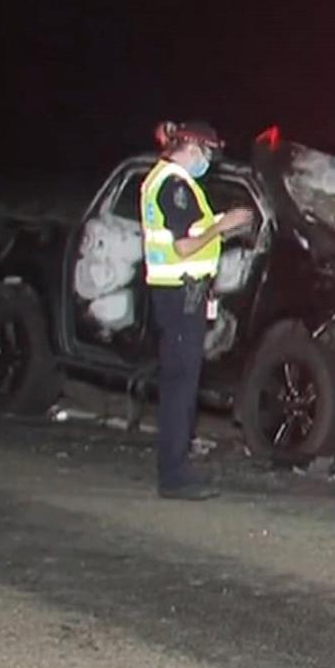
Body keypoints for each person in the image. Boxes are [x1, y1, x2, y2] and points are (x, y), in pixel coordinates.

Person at [140, 121, 253, 500]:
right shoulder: (174, 185)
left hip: (178, 295)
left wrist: (221, 226)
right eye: (207, 153)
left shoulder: (166, 181)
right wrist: (224, 227)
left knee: (180, 384)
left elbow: (189, 236)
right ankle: (174, 476)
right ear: (191, 147)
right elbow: (186, 247)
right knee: (180, 387)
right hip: (179, 297)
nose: (208, 161)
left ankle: (175, 469)